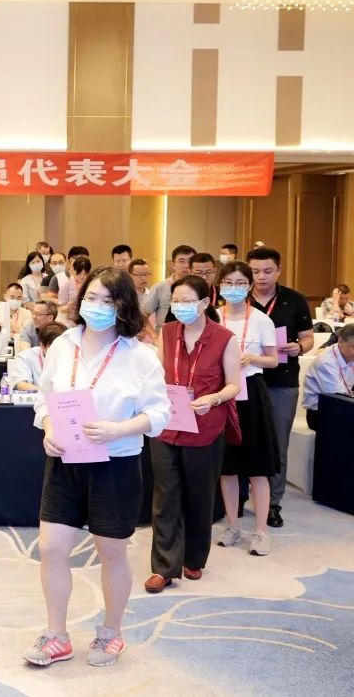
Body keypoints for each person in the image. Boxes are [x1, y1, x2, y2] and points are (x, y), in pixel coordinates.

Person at [25, 267, 170, 668]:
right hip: (65, 460)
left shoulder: (139, 356)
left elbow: (159, 414)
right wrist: (49, 429)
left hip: (115, 463)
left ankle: (111, 632)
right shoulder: (63, 344)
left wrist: (118, 428)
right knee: (52, 548)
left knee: (111, 552)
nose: (98, 306)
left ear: (124, 305)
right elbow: (44, 398)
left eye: (108, 300)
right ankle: (57, 635)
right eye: (91, 297)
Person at [146, 275, 242, 593]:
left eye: (187, 301)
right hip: (168, 423)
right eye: (176, 301)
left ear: (204, 303)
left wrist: (213, 398)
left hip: (205, 425)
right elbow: (160, 372)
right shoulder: (167, 331)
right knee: (165, 495)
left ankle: (194, 557)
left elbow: (234, 385)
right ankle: (164, 567)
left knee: (199, 495)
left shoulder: (224, 338)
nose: (180, 307)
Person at [214, 260, 279, 556]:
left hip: (251, 392)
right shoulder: (213, 317)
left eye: (241, 283)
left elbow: (274, 360)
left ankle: (261, 531)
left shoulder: (262, 320)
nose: (235, 288)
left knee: (257, 467)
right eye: (229, 283)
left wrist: (251, 358)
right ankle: (232, 525)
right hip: (221, 392)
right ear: (220, 286)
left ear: (249, 286)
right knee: (226, 467)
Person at [246, 246, 313, 529]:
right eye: (255, 271)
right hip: (244, 380)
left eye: (267, 271)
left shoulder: (294, 300)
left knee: (277, 443)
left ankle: (273, 502)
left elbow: (308, 338)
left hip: (281, 382)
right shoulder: (239, 298)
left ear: (279, 271)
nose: (261, 277)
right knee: (242, 440)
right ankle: (238, 497)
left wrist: (300, 347)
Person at [302, 324, 354, 430]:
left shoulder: (347, 355)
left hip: (344, 407)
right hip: (321, 413)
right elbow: (339, 397)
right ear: (340, 340)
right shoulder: (326, 362)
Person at [142, 244, 196, 331]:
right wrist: (154, 336)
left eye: (190, 261)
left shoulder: (199, 288)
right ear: (173, 265)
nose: (187, 265)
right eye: (182, 261)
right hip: (164, 337)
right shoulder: (160, 287)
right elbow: (143, 316)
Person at [8, 322, 66, 391]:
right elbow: (21, 385)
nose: (58, 351)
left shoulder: (69, 356)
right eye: (53, 347)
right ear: (42, 345)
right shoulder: (26, 356)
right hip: (38, 397)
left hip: (63, 397)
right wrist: (46, 393)